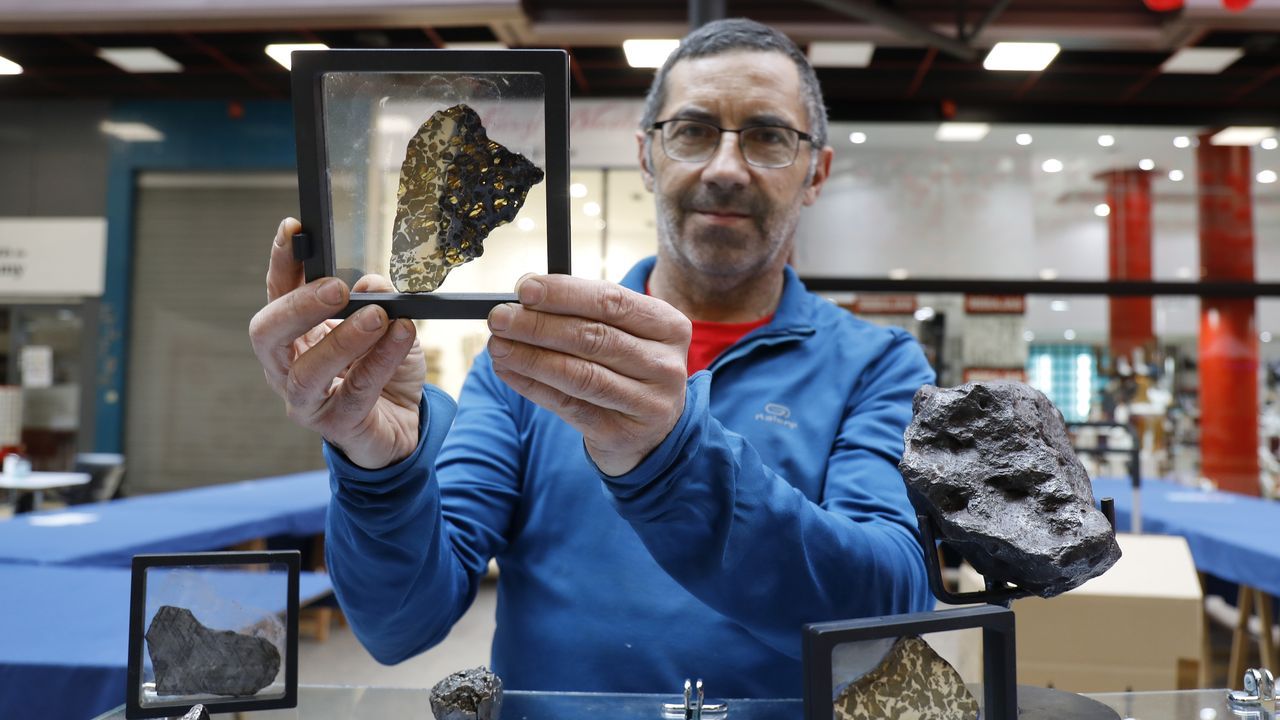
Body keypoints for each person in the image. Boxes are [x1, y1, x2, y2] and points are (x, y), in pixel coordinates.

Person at [249, 18, 935, 698]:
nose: (726, 168)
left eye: (768, 137)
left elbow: (885, 609)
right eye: (693, 131)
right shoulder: (530, 360)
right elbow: (401, 625)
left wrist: (672, 459)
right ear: (646, 155)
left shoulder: (879, 367)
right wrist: (381, 471)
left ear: (816, 171)